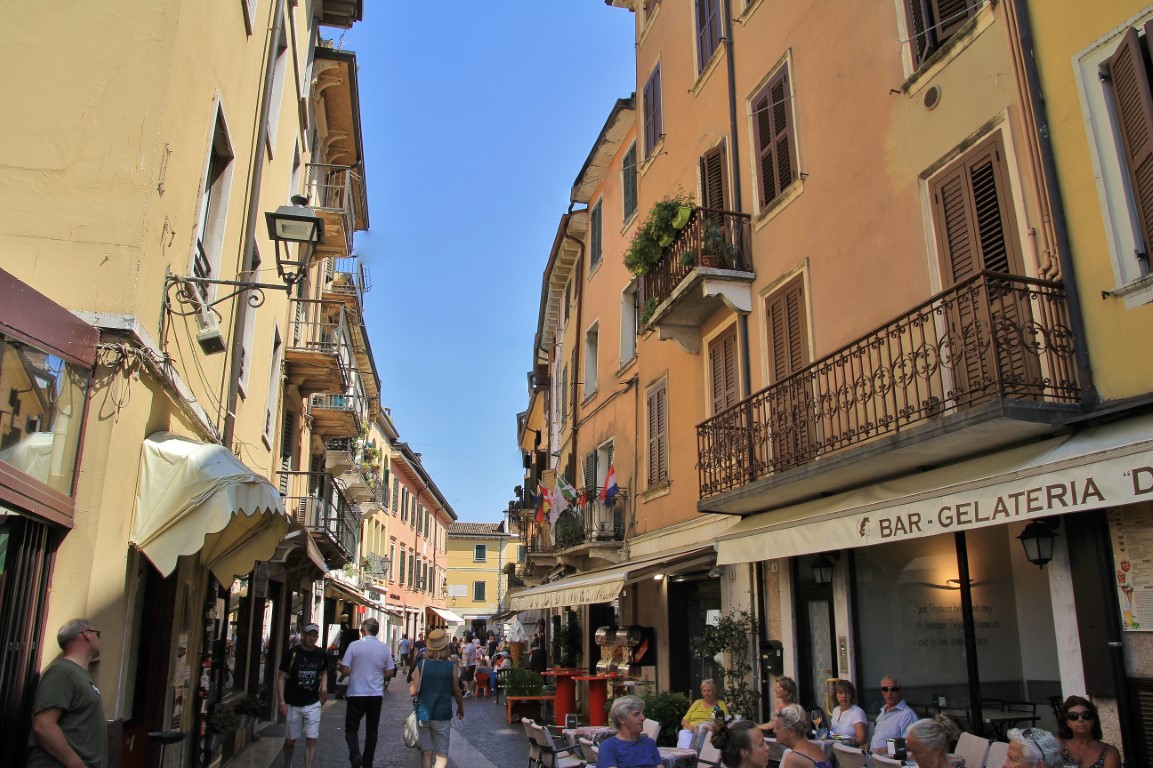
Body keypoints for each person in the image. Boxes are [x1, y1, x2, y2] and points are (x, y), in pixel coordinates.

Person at [27, 618, 107, 768]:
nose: (99, 640)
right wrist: (76, 764)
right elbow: (44, 725)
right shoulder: (63, 672)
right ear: (86, 634)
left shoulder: (80, 676)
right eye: (97, 634)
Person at [339, 617, 396, 768]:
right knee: (372, 730)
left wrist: (353, 670)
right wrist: (379, 674)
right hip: (375, 694)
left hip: (356, 693)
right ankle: (368, 761)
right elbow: (390, 672)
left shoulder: (354, 646)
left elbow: (344, 670)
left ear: (363, 630)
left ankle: (355, 755)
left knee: (351, 728)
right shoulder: (383, 648)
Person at [409, 628, 464, 768]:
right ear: (445, 647)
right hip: (442, 714)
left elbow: (413, 692)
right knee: (442, 754)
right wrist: (460, 707)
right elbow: (457, 691)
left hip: (424, 714)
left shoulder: (422, 665)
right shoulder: (451, 667)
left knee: (426, 753)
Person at [277, 623, 328, 768]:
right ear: (303, 635)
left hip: (312, 702)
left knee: (312, 739)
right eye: (309, 635)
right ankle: (288, 763)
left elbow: (324, 672)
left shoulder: (321, 654)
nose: (311, 638)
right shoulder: (292, 653)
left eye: (314, 635)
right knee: (290, 741)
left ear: (317, 637)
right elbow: (281, 677)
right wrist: (281, 701)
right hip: (293, 702)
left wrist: (324, 688)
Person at [597, 695, 663, 768]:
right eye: (636, 714)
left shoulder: (649, 743)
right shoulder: (608, 747)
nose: (643, 718)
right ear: (621, 719)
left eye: (642, 713)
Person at [1056, 696, 1121, 768]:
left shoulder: (1109, 752)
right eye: (1073, 716)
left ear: (1093, 720)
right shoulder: (1057, 745)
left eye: (1086, 715)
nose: (1080, 719)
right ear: (1067, 722)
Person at [771, 703, 832, 768]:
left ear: (790, 731)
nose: (774, 731)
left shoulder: (793, 758)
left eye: (777, 728)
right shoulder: (817, 749)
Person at [869, 674, 917, 754]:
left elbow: (911, 744)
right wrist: (869, 745)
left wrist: (888, 750)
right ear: (882, 692)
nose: (889, 693)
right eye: (885, 689)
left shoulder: (907, 715)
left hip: (890, 760)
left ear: (900, 691)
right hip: (874, 758)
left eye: (893, 689)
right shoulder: (882, 713)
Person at [677, 678, 729, 748]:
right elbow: (684, 721)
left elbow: (725, 720)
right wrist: (691, 728)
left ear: (714, 691)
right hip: (692, 731)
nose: (706, 693)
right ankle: (686, 753)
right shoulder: (697, 703)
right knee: (683, 733)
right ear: (702, 692)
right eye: (704, 691)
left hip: (710, 732)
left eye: (709, 690)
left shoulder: (720, 704)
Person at [828, 679, 867, 746]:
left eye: (847, 692)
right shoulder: (835, 710)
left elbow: (860, 740)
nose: (844, 696)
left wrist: (842, 739)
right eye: (840, 692)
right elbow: (833, 734)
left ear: (851, 695)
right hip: (834, 746)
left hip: (849, 749)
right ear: (835, 695)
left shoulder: (857, 712)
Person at [459, 632, 477, 698]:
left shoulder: (467, 647)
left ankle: (468, 691)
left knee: (463, 678)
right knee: (470, 679)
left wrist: (467, 665)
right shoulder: (473, 646)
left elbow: (468, 657)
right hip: (473, 664)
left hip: (468, 664)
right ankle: (471, 691)